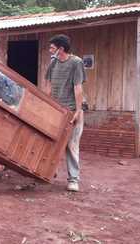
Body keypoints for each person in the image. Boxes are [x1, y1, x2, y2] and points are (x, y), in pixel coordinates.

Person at [44, 34, 86, 192]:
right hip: (56, 110)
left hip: (72, 111)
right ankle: (49, 171)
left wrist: (78, 110)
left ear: (61, 49)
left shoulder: (76, 63)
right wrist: (46, 105)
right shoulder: (53, 63)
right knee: (51, 141)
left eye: (52, 48)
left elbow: (78, 88)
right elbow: (48, 84)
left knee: (71, 145)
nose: (50, 50)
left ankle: (73, 180)